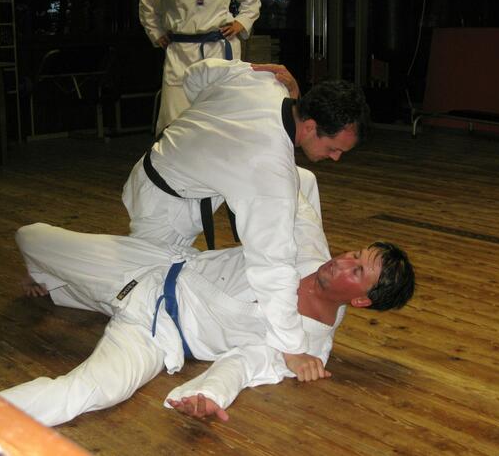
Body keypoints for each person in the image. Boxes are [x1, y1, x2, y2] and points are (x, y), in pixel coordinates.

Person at [0, 179, 414, 426]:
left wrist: (209, 394)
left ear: (361, 300)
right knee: (30, 236)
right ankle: (56, 284)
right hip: (155, 265)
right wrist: (283, 118)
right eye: (355, 254)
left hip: (157, 331)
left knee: (97, 391)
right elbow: (292, 185)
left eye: (357, 270)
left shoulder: (307, 347)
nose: (342, 261)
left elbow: (243, 365)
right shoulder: (307, 248)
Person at [122, 57, 371, 369]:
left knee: (304, 180)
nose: (335, 158)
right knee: (134, 284)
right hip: (163, 203)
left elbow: (195, 74)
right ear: (309, 126)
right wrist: (291, 346)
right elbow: (271, 264)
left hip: (187, 169)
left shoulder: (265, 80)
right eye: (334, 148)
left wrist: (211, 124)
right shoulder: (269, 171)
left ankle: (305, 259)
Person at [139, 0, 261, 135]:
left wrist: (241, 22)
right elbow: (147, 4)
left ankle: (220, 150)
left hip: (218, 49)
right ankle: (174, 151)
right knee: (174, 114)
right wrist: (156, 32)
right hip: (181, 51)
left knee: (221, 109)